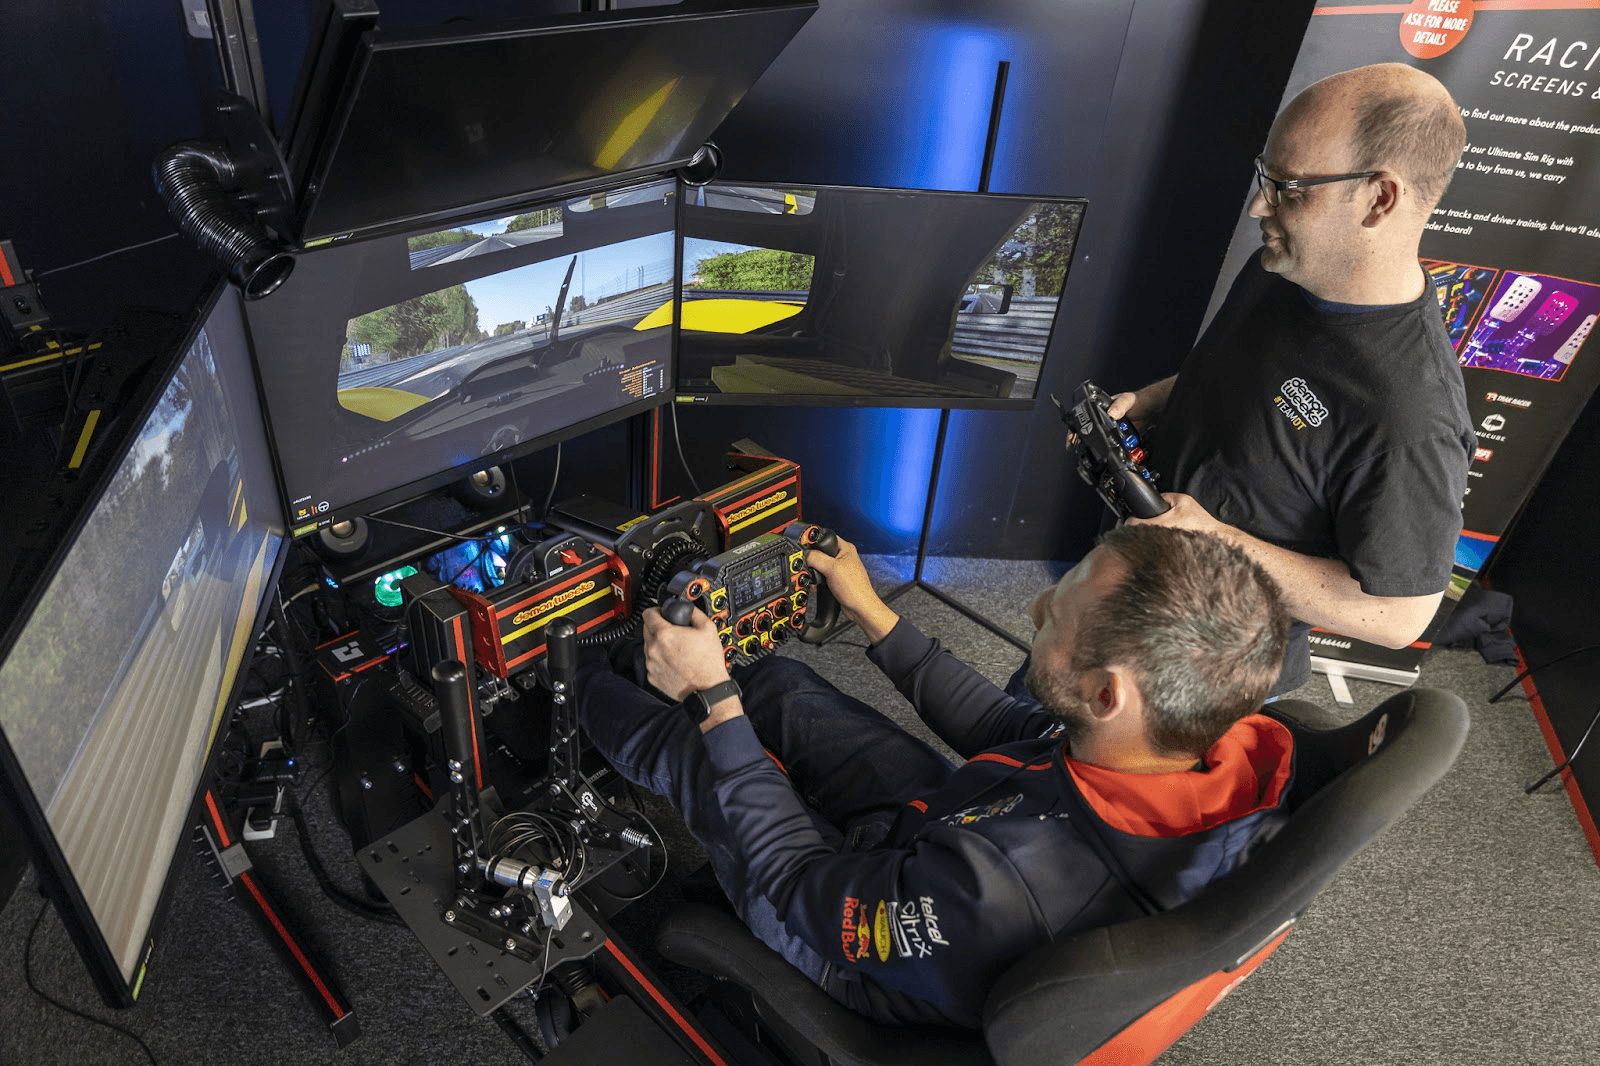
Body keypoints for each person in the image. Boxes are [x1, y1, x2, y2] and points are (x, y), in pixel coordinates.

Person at [576, 524, 1293, 1029]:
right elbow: (1010, 730)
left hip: (859, 942)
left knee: (695, 750)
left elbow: (799, 883)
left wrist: (712, 700)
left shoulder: (1006, 891)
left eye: (1056, 617)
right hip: (953, 834)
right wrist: (870, 610)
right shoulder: (1182, 746)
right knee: (782, 686)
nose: (1036, 607)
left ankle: (568, 678)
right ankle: (648, 661)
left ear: (1107, 694)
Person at [1095, 63, 1477, 696]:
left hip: (1204, 678)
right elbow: (1242, 377)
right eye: (1266, 177)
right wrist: (1152, 402)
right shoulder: (1281, 268)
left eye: (1291, 188)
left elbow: (1398, 617)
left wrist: (1215, 542)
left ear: (1380, 199)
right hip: (1127, 592)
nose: (1259, 206)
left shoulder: (1411, 418)